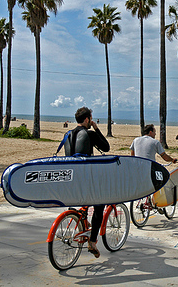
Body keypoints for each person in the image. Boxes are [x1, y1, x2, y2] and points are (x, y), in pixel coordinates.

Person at [64, 107, 109, 258]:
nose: (92, 121)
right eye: (91, 119)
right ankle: (93, 241)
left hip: (71, 180)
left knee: (83, 197)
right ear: (87, 120)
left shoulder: (67, 135)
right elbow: (106, 147)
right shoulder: (89, 134)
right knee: (100, 204)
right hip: (85, 179)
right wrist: (97, 129)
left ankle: (81, 218)